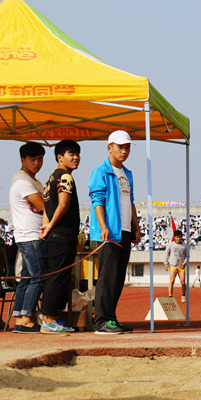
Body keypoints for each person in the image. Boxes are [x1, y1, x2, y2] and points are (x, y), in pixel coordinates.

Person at [89, 130, 141, 335]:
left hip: (125, 231)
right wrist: (103, 226)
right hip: (109, 232)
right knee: (107, 277)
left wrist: (136, 227)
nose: (124, 151)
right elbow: (97, 200)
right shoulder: (101, 171)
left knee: (118, 278)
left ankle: (111, 319)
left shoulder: (128, 174)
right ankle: (101, 321)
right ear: (109, 147)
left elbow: (131, 202)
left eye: (127, 147)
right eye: (120, 147)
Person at [39, 140, 81, 334]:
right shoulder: (65, 177)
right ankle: (49, 320)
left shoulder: (50, 179)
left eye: (77, 154)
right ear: (60, 157)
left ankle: (50, 318)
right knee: (57, 276)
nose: (76, 158)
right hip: (62, 234)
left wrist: (46, 227)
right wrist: (50, 227)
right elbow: (63, 205)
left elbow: (46, 208)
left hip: (54, 234)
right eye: (71, 154)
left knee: (55, 275)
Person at [9, 142, 47, 333]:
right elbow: (45, 206)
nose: (37, 163)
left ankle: (19, 318)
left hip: (29, 235)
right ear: (23, 160)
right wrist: (42, 207)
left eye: (40, 159)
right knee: (38, 277)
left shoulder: (35, 182)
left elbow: (41, 206)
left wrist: (41, 206)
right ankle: (26, 319)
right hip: (30, 235)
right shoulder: (22, 181)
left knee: (26, 278)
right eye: (32, 159)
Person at [164, 230, 187, 302]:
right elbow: (166, 253)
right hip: (173, 266)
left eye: (180, 237)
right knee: (172, 281)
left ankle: (183, 295)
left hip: (181, 267)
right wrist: (166, 263)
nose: (178, 238)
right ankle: (170, 296)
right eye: (177, 237)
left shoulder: (185, 245)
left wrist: (185, 262)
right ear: (175, 237)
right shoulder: (171, 244)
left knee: (183, 282)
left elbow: (187, 255)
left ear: (182, 237)